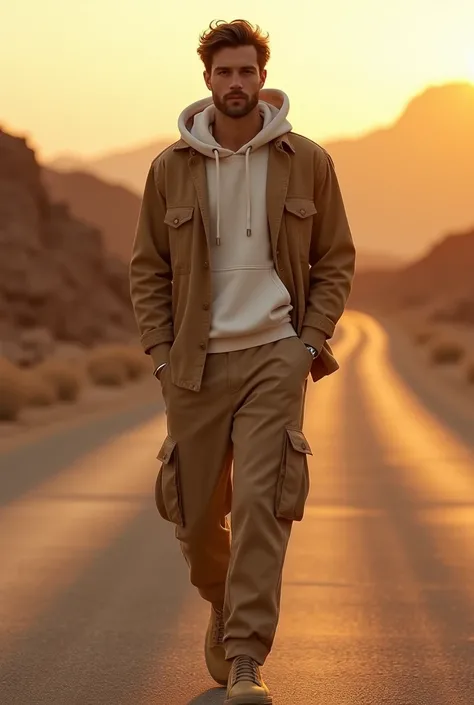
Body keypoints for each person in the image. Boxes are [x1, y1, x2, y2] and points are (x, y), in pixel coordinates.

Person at [129, 18, 355, 705]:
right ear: (207, 81)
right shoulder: (170, 168)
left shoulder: (307, 160)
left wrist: (307, 344)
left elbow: (336, 260)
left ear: (263, 77)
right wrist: (163, 356)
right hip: (194, 366)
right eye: (224, 72)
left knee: (262, 503)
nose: (236, 84)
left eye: (246, 72)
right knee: (197, 522)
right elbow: (148, 269)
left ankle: (247, 656)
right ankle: (225, 607)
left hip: (273, 359)